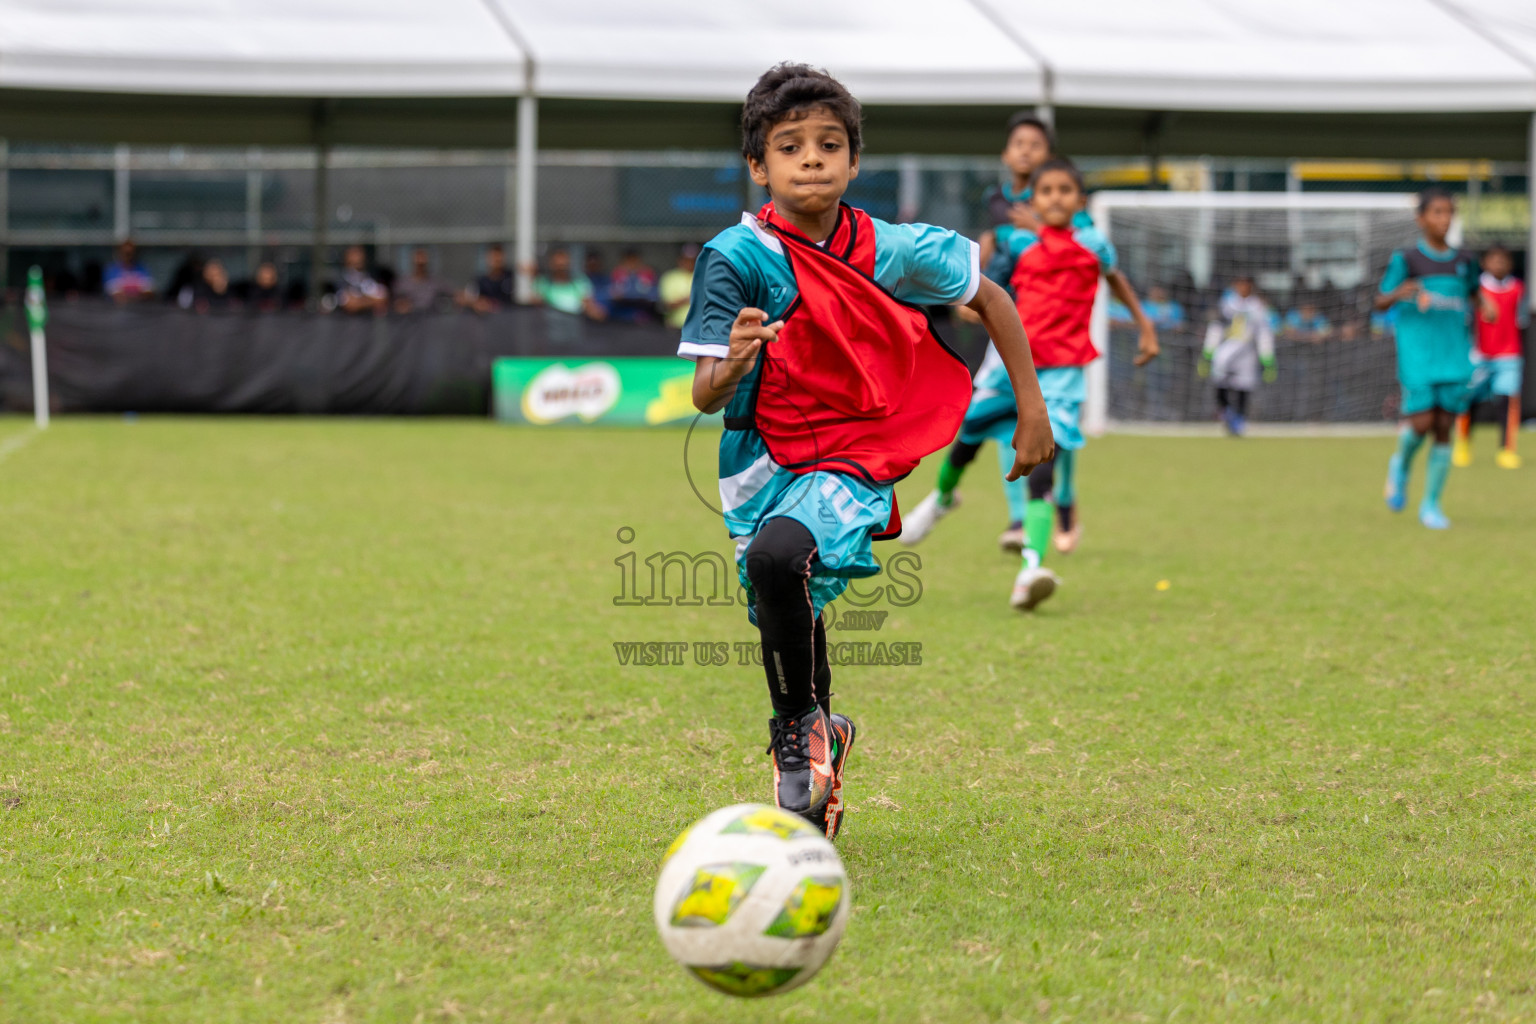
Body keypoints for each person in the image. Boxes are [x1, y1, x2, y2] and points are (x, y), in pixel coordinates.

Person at [681, 64, 1053, 837]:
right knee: (786, 592)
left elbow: (991, 298)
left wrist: (1031, 407)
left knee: (780, 560)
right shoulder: (734, 258)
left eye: (829, 144)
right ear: (760, 166)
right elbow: (706, 394)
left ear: (853, 161)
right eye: (790, 147)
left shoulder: (892, 247)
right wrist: (737, 362)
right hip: (758, 457)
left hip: (854, 446)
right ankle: (824, 738)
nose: (811, 159)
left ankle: (794, 741)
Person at [902, 158, 1155, 610]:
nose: (1055, 197)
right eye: (1047, 191)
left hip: (1062, 378)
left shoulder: (1093, 243)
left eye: (1065, 191)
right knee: (967, 440)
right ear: (1032, 200)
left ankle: (1031, 570)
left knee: (1043, 470)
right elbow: (988, 288)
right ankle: (942, 498)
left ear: (1081, 201)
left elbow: (1113, 278)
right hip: (1011, 369)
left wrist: (1144, 325)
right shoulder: (1018, 243)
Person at [1375, 188, 1489, 530]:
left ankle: (1431, 505)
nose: (1444, 219)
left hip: (1454, 352)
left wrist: (1486, 304)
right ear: (1420, 218)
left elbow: (1473, 291)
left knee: (1444, 426)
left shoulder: (1464, 260)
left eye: (1448, 212)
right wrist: (1399, 293)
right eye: (1437, 212)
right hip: (1419, 353)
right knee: (1422, 422)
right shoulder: (1406, 260)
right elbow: (1380, 301)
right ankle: (1402, 464)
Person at [1454, 243, 1525, 469]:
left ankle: (1506, 450)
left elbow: (1521, 321)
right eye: (1495, 260)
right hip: (1479, 355)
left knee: (1506, 402)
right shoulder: (1476, 290)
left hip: (1509, 355)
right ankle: (1463, 444)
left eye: (1504, 260)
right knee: (1468, 401)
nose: (1499, 264)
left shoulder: (1518, 289)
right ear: (1484, 263)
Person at [1200, 275, 1276, 437]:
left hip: (1247, 352)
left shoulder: (1258, 307)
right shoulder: (1226, 304)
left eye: (1246, 285)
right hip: (1226, 348)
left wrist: (1267, 358)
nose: (1243, 288)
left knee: (1244, 386)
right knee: (1219, 381)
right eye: (1240, 284)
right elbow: (1216, 328)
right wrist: (1208, 353)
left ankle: (1240, 419)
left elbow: (1264, 333)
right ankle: (1226, 412)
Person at [530, 249, 605, 320]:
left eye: (563, 265)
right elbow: (537, 303)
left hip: (576, 325)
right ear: (551, 264)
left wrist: (596, 313)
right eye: (558, 266)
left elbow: (588, 304)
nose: (561, 269)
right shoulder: (543, 283)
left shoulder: (580, 281)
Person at [393, 247, 454, 313]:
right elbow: (395, 302)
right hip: (409, 319)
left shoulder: (436, 282)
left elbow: (452, 294)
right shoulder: (403, 283)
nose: (420, 263)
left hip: (432, 317)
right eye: (418, 261)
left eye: (423, 262)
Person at [606, 248, 660, 323]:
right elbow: (613, 295)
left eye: (634, 259)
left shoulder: (647, 272)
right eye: (629, 260)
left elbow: (653, 296)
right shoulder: (618, 272)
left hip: (643, 312)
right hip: (621, 313)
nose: (631, 263)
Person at [333, 245, 388, 314]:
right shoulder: (341, 281)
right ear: (347, 258)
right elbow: (350, 305)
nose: (358, 258)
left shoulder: (369, 278)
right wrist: (371, 301)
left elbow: (382, 298)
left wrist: (360, 301)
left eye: (359, 254)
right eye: (354, 254)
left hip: (369, 322)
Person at [464, 244, 515, 312]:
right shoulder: (480, 282)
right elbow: (468, 298)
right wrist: (477, 303)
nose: (496, 260)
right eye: (494, 257)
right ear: (488, 258)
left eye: (499, 257)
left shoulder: (512, 277)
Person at [659, 244, 699, 330]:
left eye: (692, 260)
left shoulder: (703, 277)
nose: (689, 263)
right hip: (675, 327)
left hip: (699, 329)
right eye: (686, 259)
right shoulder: (670, 277)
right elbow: (666, 306)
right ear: (680, 260)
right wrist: (689, 298)